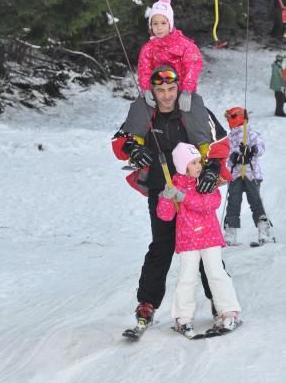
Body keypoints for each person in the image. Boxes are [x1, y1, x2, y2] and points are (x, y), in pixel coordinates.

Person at [112, 65, 232, 328]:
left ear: (179, 89)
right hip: (161, 189)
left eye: (171, 89)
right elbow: (119, 141)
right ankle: (147, 303)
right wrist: (133, 149)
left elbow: (220, 143)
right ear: (152, 91)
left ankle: (219, 301)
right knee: (163, 244)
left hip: (194, 189)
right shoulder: (146, 112)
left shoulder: (193, 110)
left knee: (204, 246)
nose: (166, 96)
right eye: (160, 90)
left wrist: (211, 169)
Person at [156, 143, 241, 338]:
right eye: (193, 163)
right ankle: (183, 318)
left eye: (199, 162)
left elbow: (210, 203)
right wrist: (166, 198)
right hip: (188, 239)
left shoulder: (206, 181)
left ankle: (229, 312)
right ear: (182, 166)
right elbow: (165, 216)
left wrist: (183, 197)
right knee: (187, 278)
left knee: (216, 274)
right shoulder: (174, 184)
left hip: (209, 237)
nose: (199, 166)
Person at [138, 0, 203, 113]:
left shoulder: (185, 45)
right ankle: (133, 131)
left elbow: (193, 66)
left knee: (193, 115)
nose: (159, 27)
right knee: (141, 110)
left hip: (181, 92)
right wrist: (146, 89)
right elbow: (144, 70)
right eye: (155, 23)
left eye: (163, 23)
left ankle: (201, 130)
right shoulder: (148, 49)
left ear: (170, 24)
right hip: (159, 94)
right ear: (150, 26)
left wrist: (186, 91)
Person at [223, 107, 270, 246]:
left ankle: (263, 231)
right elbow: (226, 153)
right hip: (235, 175)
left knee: (255, 201)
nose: (228, 121)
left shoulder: (251, 133)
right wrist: (233, 157)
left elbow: (261, 147)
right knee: (233, 203)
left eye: (230, 118)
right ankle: (230, 234)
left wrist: (251, 150)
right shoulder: (229, 136)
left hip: (252, 174)